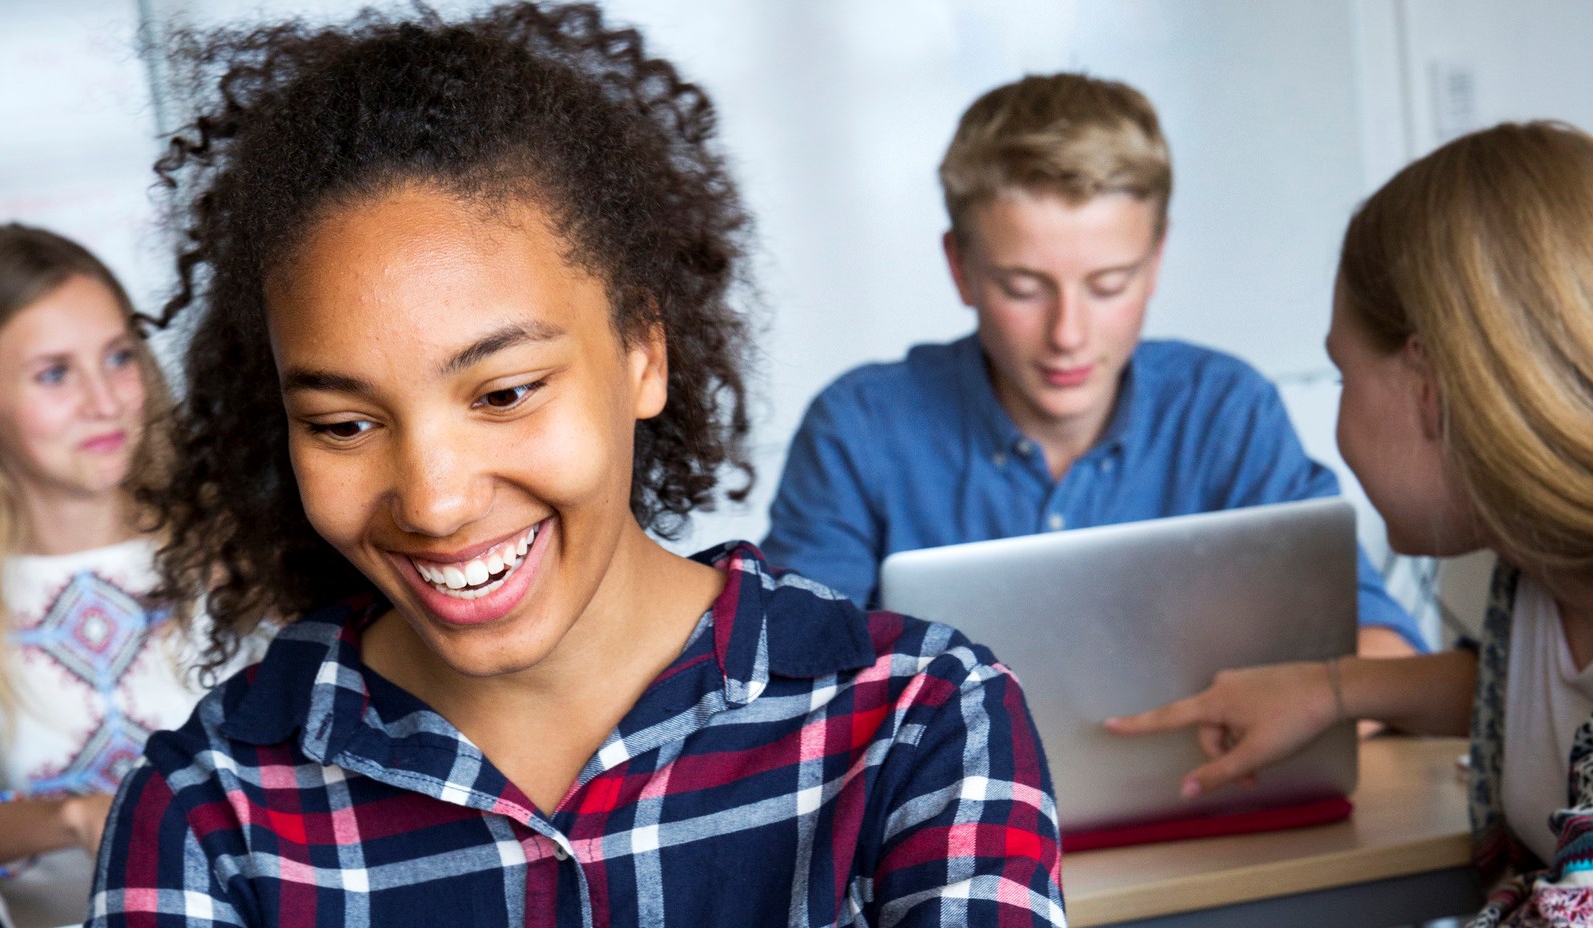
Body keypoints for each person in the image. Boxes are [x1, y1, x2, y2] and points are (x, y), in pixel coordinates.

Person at [87, 5, 1063, 926]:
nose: (433, 500)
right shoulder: (210, 814)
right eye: (343, 424)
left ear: (643, 350)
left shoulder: (918, 719)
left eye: (505, 392)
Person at [1108, 121, 1593, 926]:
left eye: (1341, 375)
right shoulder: (1534, 569)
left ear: (1429, 383)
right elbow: (1527, 695)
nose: (1337, 424)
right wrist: (1328, 689)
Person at [763, 72, 1424, 658]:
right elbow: (787, 690)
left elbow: (1382, 650)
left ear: (1156, 262)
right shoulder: (858, 429)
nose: (1068, 334)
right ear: (960, 268)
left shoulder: (1226, 410)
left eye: (1108, 285)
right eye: (1023, 288)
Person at [0, 224, 204, 928]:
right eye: (54, 373)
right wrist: (73, 818)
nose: (104, 401)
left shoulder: (226, 547)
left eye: (118, 358)